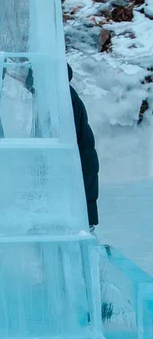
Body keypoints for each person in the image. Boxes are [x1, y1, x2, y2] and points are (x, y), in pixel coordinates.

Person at [68, 64, 99, 230]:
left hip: (81, 162)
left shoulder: (64, 98)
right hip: (83, 160)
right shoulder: (65, 94)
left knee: (83, 221)